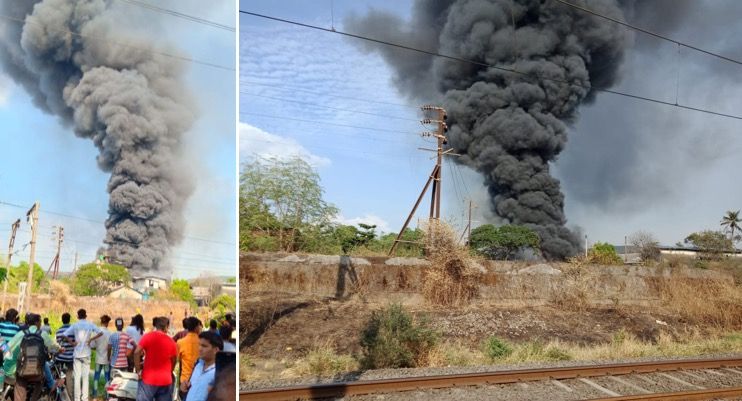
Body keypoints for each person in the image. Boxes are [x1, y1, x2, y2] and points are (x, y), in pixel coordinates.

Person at [6, 313, 61, 401]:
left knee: (20, 384)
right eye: (40, 322)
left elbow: (8, 346)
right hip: (37, 373)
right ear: (36, 322)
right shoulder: (43, 334)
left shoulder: (21, 334)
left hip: (22, 371)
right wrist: (60, 349)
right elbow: (53, 347)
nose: (41, 324)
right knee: (41, 381)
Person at [134, 317, 177, 401]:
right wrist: (170, 371)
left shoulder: (147, 337)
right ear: (166, 327)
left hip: (148, 379)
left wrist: (138, 371)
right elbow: (174, 360)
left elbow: (136, 352)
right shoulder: (171, 341)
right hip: (165, 381)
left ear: (156, 326)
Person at [64, 309, 102, 401]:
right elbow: (101, 332)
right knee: (85, 377)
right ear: (86, 315)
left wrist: (72, 343)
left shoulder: (75, 325)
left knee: (77, 377)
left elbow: (65, 334)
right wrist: (91, 339)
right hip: (86, 353)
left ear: (78, 316)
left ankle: (77, 399)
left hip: (77, 354)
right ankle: (84, 398)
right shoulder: (90, 324)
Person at [181, 332, 222, 401]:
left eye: (204, 346)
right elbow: (191, 386)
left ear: (216, 350)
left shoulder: (220, 372)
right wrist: (184, 386)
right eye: (199, 345)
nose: (199, 349)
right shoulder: (198, 365)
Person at [176, 317, 201, 401]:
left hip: (185, 380)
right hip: (199, 379)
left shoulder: (180, 342)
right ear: (196, 327)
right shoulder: (203, 343)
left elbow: (176, 360)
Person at [91, 315, 112, 399]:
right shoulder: (110, 333)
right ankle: (107, 396)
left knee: (96, 377)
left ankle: (95, 395)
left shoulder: (96, 332)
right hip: (107, 359)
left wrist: (97, 347)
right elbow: (111, 347)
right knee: (107, 378)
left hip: (98, 359)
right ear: (107, 323)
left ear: (101, 322)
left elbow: (92, 346)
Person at [55, 312, 74, 397]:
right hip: (70, 358)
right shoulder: (73, 330)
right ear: (69, 319)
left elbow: (58, 344)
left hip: (60, 358)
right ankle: (70, 395)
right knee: (69, 377)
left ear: (62, 320)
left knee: (59, 376)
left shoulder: (59, 330)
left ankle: (58, 395)